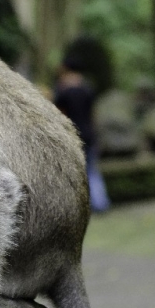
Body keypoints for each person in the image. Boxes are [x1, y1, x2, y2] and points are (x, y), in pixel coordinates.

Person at [54, 57, 111, 213]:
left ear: (66, 68)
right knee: (92, 170)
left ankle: (82, 206)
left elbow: (60, 114)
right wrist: (96, 134)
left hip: (73, 135)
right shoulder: (87, 89)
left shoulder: (63, 91)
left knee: (77, 173)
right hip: (89, 135)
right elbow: (93, 115)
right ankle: (101, 203)